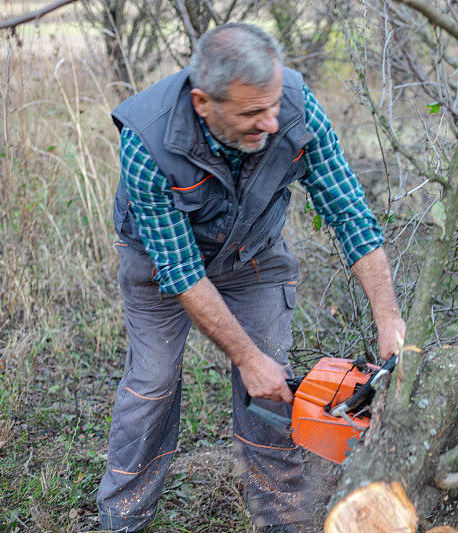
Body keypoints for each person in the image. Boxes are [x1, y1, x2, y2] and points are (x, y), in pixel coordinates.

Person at [96, 22, 405, 532]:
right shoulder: (148, 142)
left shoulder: (297, 112)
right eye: (250, 114)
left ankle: (280, 521)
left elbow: (349, 212)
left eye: (273, 104)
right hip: (159, 263)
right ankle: (122, 518)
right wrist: (245, 357)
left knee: (270, 389)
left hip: (253, 255)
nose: (269, 121)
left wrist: (388, 317)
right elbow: (181, 271)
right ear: (203, 103)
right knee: (152, 384)